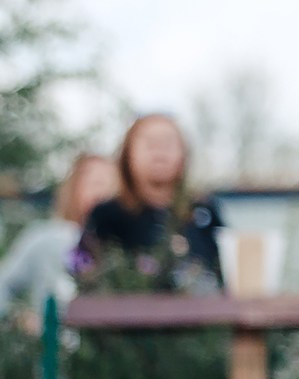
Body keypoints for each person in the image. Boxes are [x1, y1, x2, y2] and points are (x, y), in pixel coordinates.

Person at [76, 114, 225, 293]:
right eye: (150, 143)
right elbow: (85, 280)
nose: (159, 151)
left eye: (168, 143)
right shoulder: (107, 217)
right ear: (128, 153)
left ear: (184, 153)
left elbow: (227, 276)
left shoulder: (203, 213)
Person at [0, 152, 115, 324]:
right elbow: (4, 285)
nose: (103, 193)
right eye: (96, 183)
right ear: (74, 188)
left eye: (112, 187)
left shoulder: (124, 247)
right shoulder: (46, 238)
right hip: (54, 337)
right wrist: (19, 318)